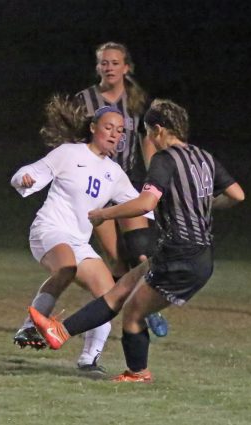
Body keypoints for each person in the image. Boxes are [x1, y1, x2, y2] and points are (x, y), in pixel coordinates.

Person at [29, 99, 245, 382]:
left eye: (147, 134)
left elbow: (145, 203)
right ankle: (60, 332)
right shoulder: (204, 157)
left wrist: (105, 214)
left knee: (132, 314)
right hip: (195, 254)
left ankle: (138, 373)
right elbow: (237, 194)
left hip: (179, 254)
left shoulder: (165, 159)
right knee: (119, 291)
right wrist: (199, 204)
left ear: (157, 131)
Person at [11, 95, 152, 374]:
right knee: (66, 267)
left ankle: (89, 361)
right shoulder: (69, 153)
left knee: (109, 296)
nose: (114, 134)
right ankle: (30, 327)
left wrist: (175, 211)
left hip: (78, 241)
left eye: (120, 130)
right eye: (109, 127)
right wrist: (23, 178)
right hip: (49, 230)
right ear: (93, 127)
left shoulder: (114, 173)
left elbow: (141, 206)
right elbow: (31, 172)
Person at [75, 41, 168, 337]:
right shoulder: (84, 101)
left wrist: (157, 176)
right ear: (97, 67)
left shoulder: (138, 101)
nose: (109, 68)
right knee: (117, 258)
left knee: (141, 252)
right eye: (104, 62)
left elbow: (148, 139)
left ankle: (144, 307)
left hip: (127, 183)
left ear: (126, 67)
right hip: (97, 186)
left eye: (115, 63)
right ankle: (126, 305)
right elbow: (72, 142)